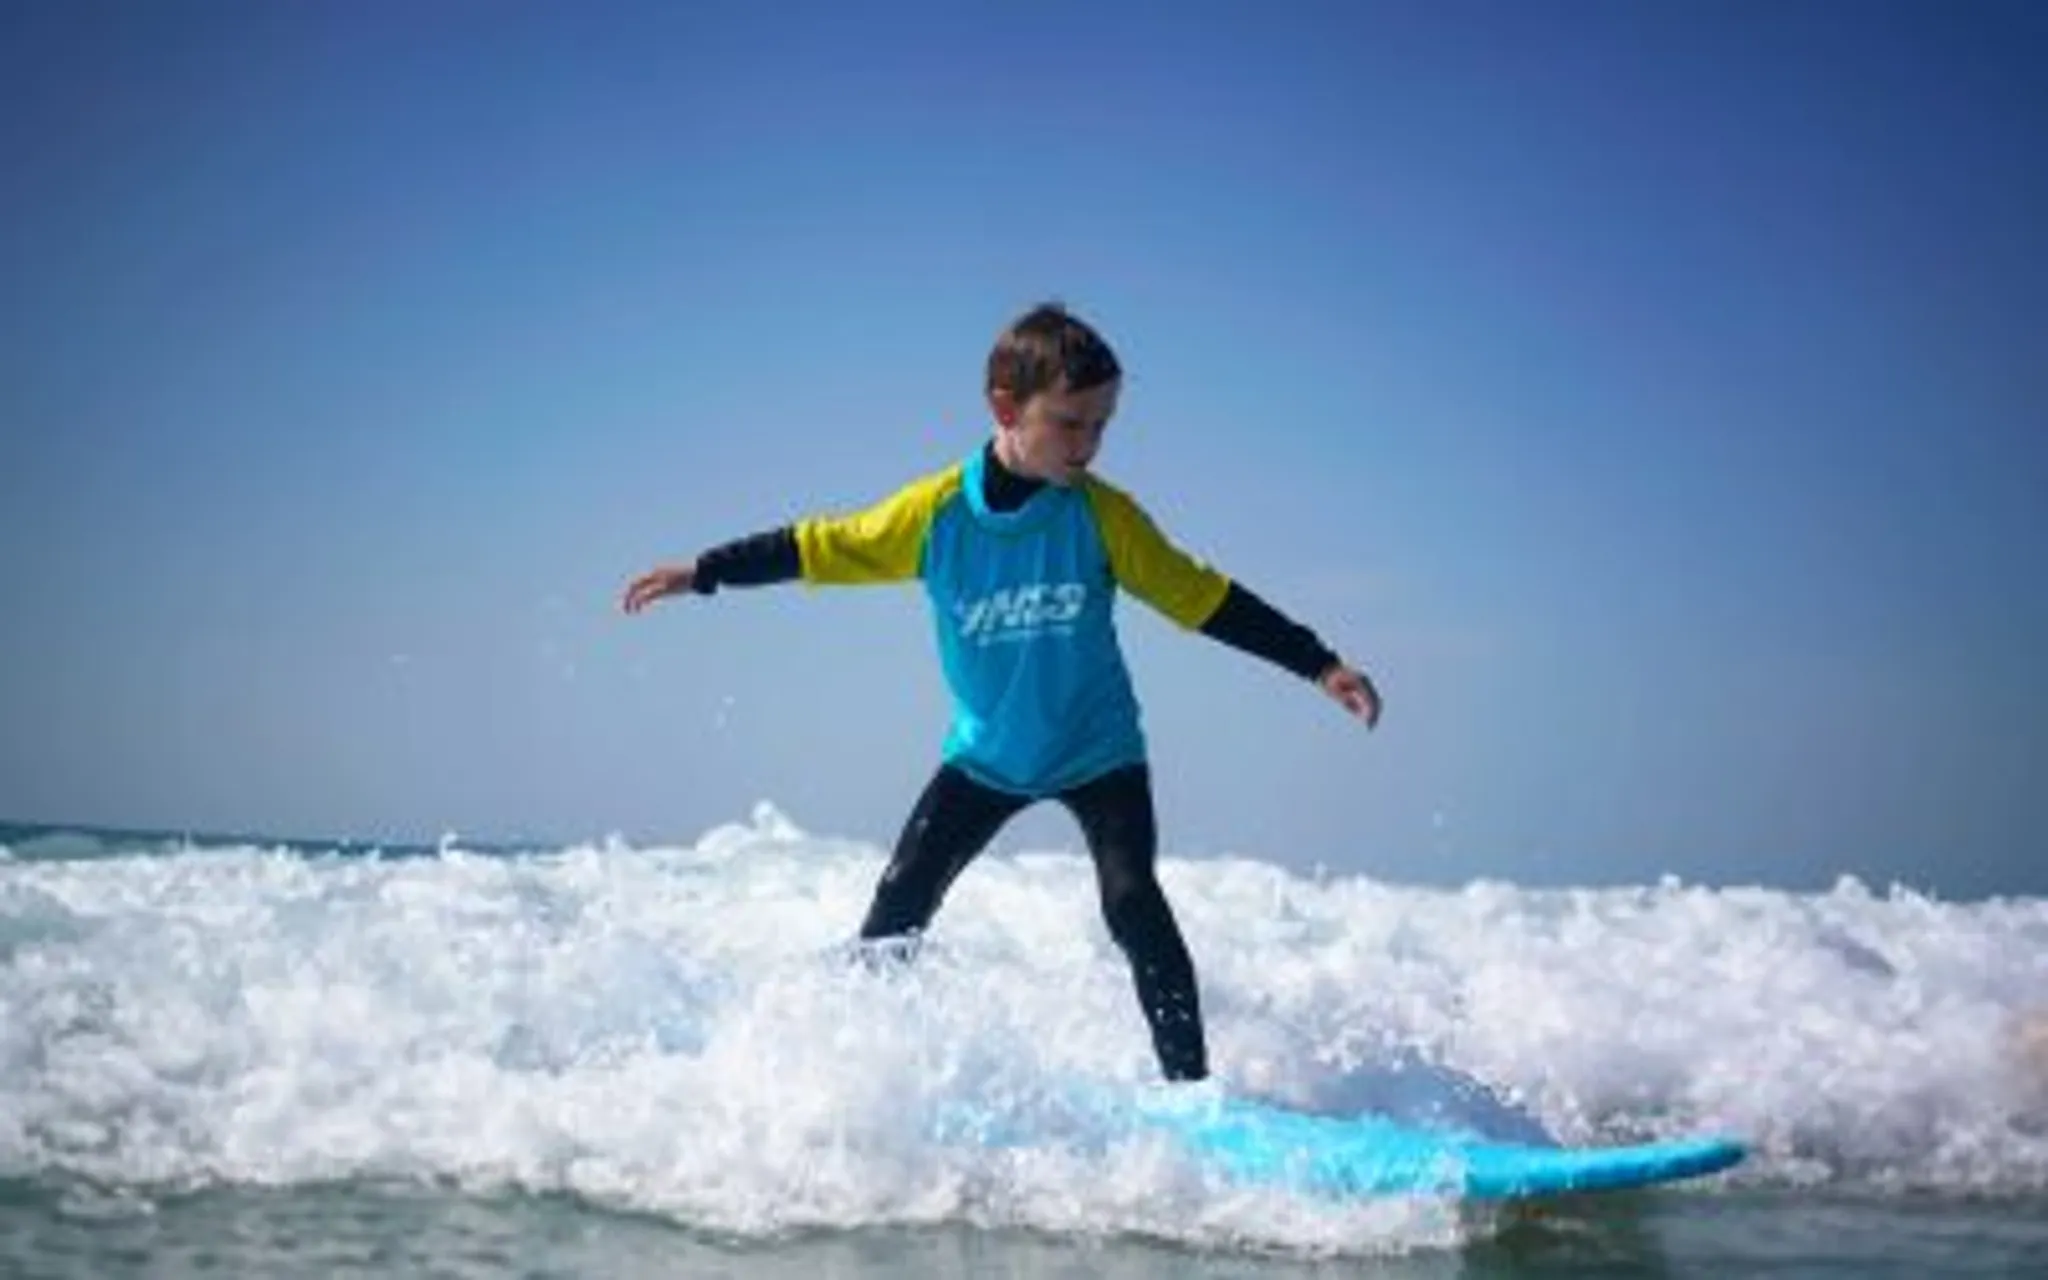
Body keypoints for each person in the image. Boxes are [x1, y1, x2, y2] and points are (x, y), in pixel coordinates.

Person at [622, 302, 1381, 1083]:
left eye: (1102, 426)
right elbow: (824, 545)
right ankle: (849, 1076)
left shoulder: (1102, 517)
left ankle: (1192, 1092)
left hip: (1098, 750)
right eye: (1070, 423)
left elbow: (1202, 597)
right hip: (986, 756)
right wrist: (706, 571)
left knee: (1130, 900)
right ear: (1006, 407)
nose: (1087, 445)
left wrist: (1319, 664)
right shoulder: (935, 516)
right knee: (898, 907)